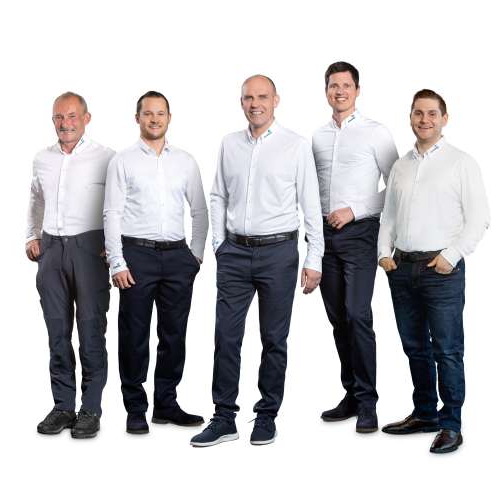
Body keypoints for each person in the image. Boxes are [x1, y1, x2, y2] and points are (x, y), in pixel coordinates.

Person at [190, 75, 324, 447]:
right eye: (249, 97)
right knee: (226, 336)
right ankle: (224, 417)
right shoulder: (229, 144)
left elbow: (311, 204)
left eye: (262, 97)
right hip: (234, 253)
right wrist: (219, 244)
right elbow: (218, 195)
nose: (255, 104)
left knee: (274, 339)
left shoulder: (295, 145)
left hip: (279, 254)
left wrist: (314, 258)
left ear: (275, 100)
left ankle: (266, 415)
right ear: (241, 102)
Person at [378, 89, 490, 453]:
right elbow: (389, 216)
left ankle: (451, 424)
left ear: (444, 118)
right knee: (414, 347)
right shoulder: (401, 166)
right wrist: (384, 254)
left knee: (447, 349)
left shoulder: (461, 163)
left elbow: (479, 218)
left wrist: (451, 255)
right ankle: (424, 413)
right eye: (418, 113)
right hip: (402, 268)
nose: (424, 120)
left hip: (441, 271)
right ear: (410, 117)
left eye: (431, 113)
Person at [104, 91, 208, 435]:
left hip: (178, 257)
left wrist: (194, 255)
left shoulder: (186, 161)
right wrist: (117, 262)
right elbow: (112, 213)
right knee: (134, 334)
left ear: (169, 117)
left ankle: (166, 403)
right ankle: (135, 407)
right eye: (148, 113)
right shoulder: (122, 161)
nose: (154, 119)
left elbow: (199, 210)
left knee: (174, 334)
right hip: (137, 255)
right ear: (137, 118)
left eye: (160, 113)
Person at [312, 61, 398, 432]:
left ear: (357, 90)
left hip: (361, 234)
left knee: (357, 313)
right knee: (338, 318)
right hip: (325, 238)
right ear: (326, 91)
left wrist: (355, 209)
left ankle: (368, 402)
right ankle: (351, 393)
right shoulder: (317, 137)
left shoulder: (376, 132)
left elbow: (397, 186)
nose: (340, 92)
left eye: (347, 85)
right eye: (334, 86)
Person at [26, 92, 114, 439]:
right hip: (51, 250)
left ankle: (90, 408)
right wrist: (32, 235)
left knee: (91, 331)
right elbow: (36, 199)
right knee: (57, 333)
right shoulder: (42, 158)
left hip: (90, 249)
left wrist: (115, 246)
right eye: (59, 118)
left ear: (86, 118)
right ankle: (63, 406)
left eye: (72, 116)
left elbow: (121, 205)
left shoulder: (107, 157)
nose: (65, 124)